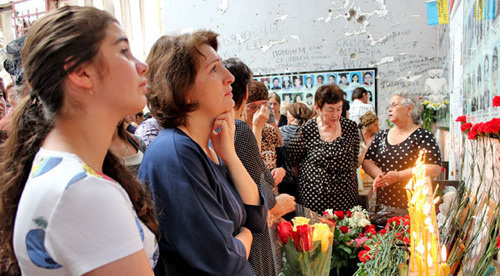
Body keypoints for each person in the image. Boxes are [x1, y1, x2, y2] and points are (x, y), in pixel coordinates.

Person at [0, 6, 158, 275]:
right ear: (80, 72)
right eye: (123, 51)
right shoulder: (83, 193)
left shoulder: (65, 171)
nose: (142, 66)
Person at [138, 31, 267, 275]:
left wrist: (229, 155)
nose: (229, 78)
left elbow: (257, 217)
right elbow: (225, 261)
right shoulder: (175, 155)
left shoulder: (208, 148)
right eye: (213, 69)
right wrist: (245, 233)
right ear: (182, 89)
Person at [223, 57, 296, 276]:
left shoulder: (221, 128)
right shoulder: (238, 129)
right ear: (245, 94)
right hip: (251, 232)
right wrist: (277, 205)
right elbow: (259, 188)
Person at [363, 92, 442, 210]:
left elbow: (434, 167)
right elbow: (368, 161)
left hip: (414, 205)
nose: (389, 109)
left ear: (409, 108)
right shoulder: (382, 136)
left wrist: (399, 176)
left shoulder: (423, 136)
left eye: (394, 105)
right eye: (389, 106)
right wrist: (380, 176)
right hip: (384, 206)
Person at [288, 84, 360, 213]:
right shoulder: (307, 130)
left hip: (346, 198)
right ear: (318, 108)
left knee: (347, 231)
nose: (336, 114)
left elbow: (354, 160)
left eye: (339, 109)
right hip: (314, 199)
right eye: (330, 110)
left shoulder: (350, 127)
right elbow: (293, 163)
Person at [244, 81, 286, 182]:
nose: (259, 111)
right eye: (252, 107)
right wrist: (257, 126)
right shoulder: (238, 130)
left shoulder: (270, 130)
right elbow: (250, 167)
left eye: (263, 105)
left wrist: (281, 170)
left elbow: (282, 162)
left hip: (273, 193)